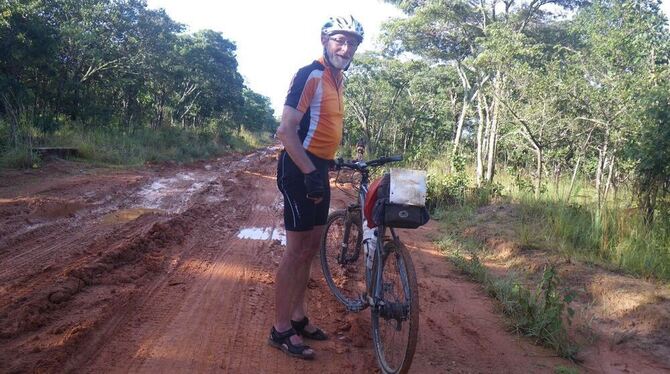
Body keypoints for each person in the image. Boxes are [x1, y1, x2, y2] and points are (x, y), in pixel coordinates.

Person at [270, 15, 364, 360]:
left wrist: (329, 160)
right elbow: (287, 130)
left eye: (352, 42)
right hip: (298, 170)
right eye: (340, 40)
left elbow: (320, 128)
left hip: (317, 168)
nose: (346, 47)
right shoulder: (311, 73)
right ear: (325, 39)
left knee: (310, 247)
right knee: (296, 251)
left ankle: (298, 317)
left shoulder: (337, 79)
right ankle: (280, 330)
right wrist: (310, 169)